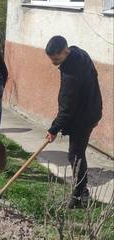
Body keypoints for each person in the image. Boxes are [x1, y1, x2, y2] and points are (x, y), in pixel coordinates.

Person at [45, 35, 102, 209]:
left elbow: (67, 107)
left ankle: (78, 196)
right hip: (90, 110)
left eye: (57, 58)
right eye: (52, 59)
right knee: (77, 153)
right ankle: (82, 191)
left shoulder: (71, 73)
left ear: (66, 51)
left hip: (84, 116)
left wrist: (54, 128)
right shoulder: (79, 53)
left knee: (75, 155)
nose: (54, 62)